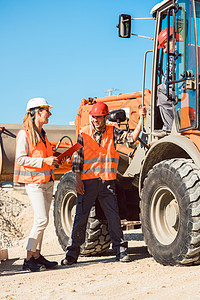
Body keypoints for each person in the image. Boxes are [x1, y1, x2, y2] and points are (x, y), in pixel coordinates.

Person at [61, 101, 146, 266]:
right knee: (80, 218)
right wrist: (78, 180)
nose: (95, 120)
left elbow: (132, 138)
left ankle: (121, 251)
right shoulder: (84, 132)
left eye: (98, 117)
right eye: (93, 117)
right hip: (87, 183)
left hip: (107, 182)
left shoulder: (112, 131)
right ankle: (71, 254)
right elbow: (78, 159)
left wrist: (142, 119)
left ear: (106, 117)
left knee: (113, 217)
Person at [14, 97, 60, 272]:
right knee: (41, 220)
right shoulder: (24, 134)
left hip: (47, 182)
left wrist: (53, 159)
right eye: (47, 110)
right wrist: (44, 160)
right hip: (34, 183)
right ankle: (28, 259)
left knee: (42, 221)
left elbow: (43, 157)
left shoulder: (43, 135)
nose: (50, 114)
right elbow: (20, 158)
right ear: (37, 112)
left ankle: (37, 256)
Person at [157, 27, 183, 133]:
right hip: (189, 87)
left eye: (165, 46)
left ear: (173, 40)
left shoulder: (176, 55)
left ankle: (170, 128)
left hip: (182, 88)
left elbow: (167, 79)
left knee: (161, 89)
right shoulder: (192, 49)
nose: (164, 51)